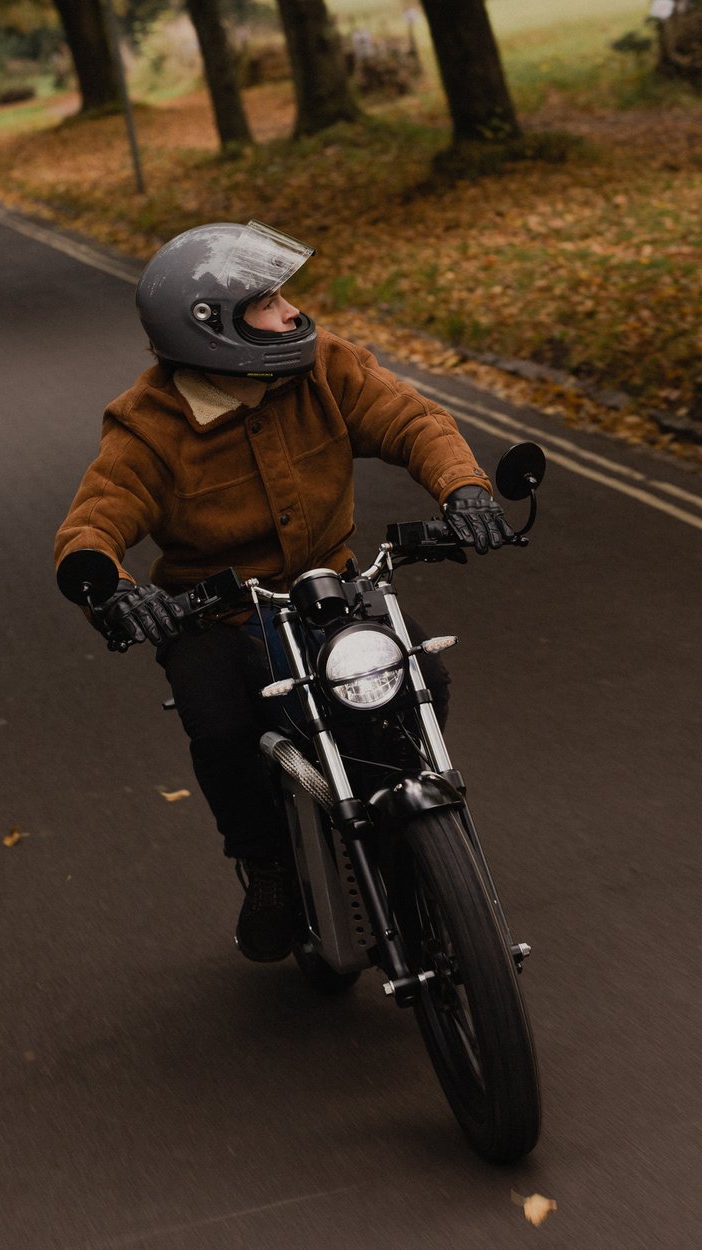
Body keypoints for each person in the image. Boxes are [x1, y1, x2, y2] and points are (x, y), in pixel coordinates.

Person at [54, 220, 513, 963]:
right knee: (222, 727)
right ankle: (267, 864)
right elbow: (93, 526)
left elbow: (411, 420)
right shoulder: (146, 427)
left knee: (418, 676)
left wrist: (464, 489)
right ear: (213, 327)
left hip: (328, 585)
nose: (292, 313)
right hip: (213, 610)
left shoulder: (327, 367)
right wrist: (110, 589)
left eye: (283, 298)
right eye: (267, 304)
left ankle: (411, 832)